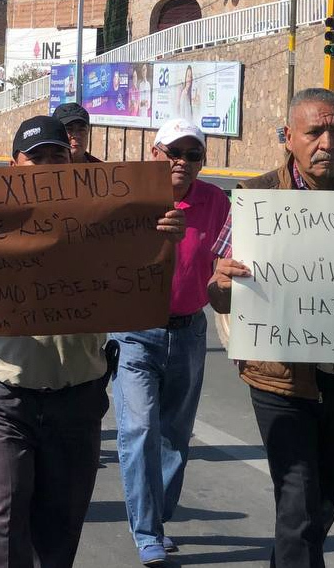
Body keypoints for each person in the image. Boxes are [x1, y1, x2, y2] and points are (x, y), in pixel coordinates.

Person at [0, 115, 184, 568]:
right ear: (13, 164)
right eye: (35, 157)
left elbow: (142, 279)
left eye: (56, 156)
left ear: (73, 158)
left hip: (77, 394)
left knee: (61, 523)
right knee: (3, 518)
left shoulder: (102, 214)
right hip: (5, 393)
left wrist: (161, 238)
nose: (46, 166)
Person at [209, 88, 334, 568]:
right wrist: (223, 281)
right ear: (288, 137)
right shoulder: (255, 200)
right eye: (314, 131)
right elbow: (218, 291)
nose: (327, 142)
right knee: (297, 502)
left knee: (322, 505)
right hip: (279, 379)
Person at [110, 119, 229, 567]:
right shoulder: (126, 198)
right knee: (139, 429)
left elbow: (228, 262)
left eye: (192, 154)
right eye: (172, 151)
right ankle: (146, 531)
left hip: (188, 331)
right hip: (134, 331)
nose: (182, 160)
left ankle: (155, 517)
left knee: (175, 437)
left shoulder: (217, 202)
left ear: (203, 161)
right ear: (154, 153)